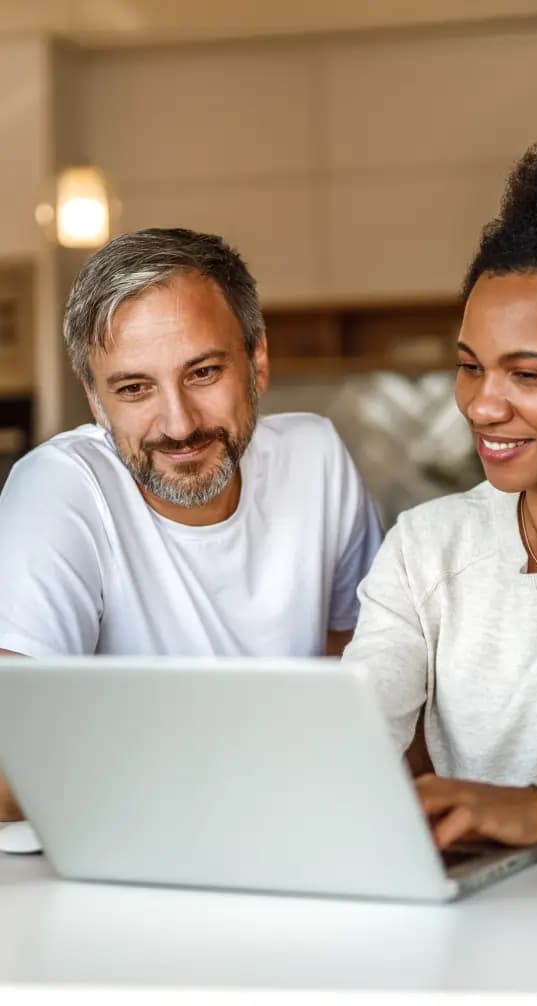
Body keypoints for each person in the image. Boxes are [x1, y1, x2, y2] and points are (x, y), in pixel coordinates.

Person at [0, 227, 381, 818]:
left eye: (203, 373)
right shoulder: (59, 489)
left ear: (257, 361)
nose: (178, 424)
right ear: (96, 401)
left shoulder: (316, 457)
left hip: (298, 827)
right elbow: (7, 765)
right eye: (134, 388)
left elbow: (371, 682)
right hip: (126, 859)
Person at [343, 133, 537, 865]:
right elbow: (358, 731)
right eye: (470, 368)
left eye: (527, 375)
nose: (480, 405)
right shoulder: (427, 545)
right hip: (470, 938)